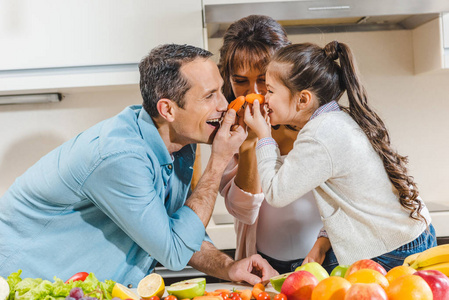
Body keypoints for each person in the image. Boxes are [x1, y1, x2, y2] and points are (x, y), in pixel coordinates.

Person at [0, 44, 278, 287]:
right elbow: (174, 251)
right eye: (209, 96)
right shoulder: (120, 157)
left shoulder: (180, 142)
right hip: (25, 284)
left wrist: (228, 267)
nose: (225, 104)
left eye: (221, 91)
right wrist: (218, 161)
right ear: (167, 110)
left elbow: (177, 231)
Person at [243, 41, 437, 270]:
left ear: (303, 99)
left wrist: (263, 136)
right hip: (405, 237)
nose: (264, 98)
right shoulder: (335, 121)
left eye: (270, 91)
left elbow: (275, 193)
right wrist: (324, 240)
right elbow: (351, 196)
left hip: (391, 249)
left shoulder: (318, 135)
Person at [218, 15, 337, 275]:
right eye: (240, 81)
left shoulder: (318, 126)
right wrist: (251, 142)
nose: (255, 93)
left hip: (327, 259)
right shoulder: (229, 133)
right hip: (264, 265)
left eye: (264, 80)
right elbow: (244, 212)